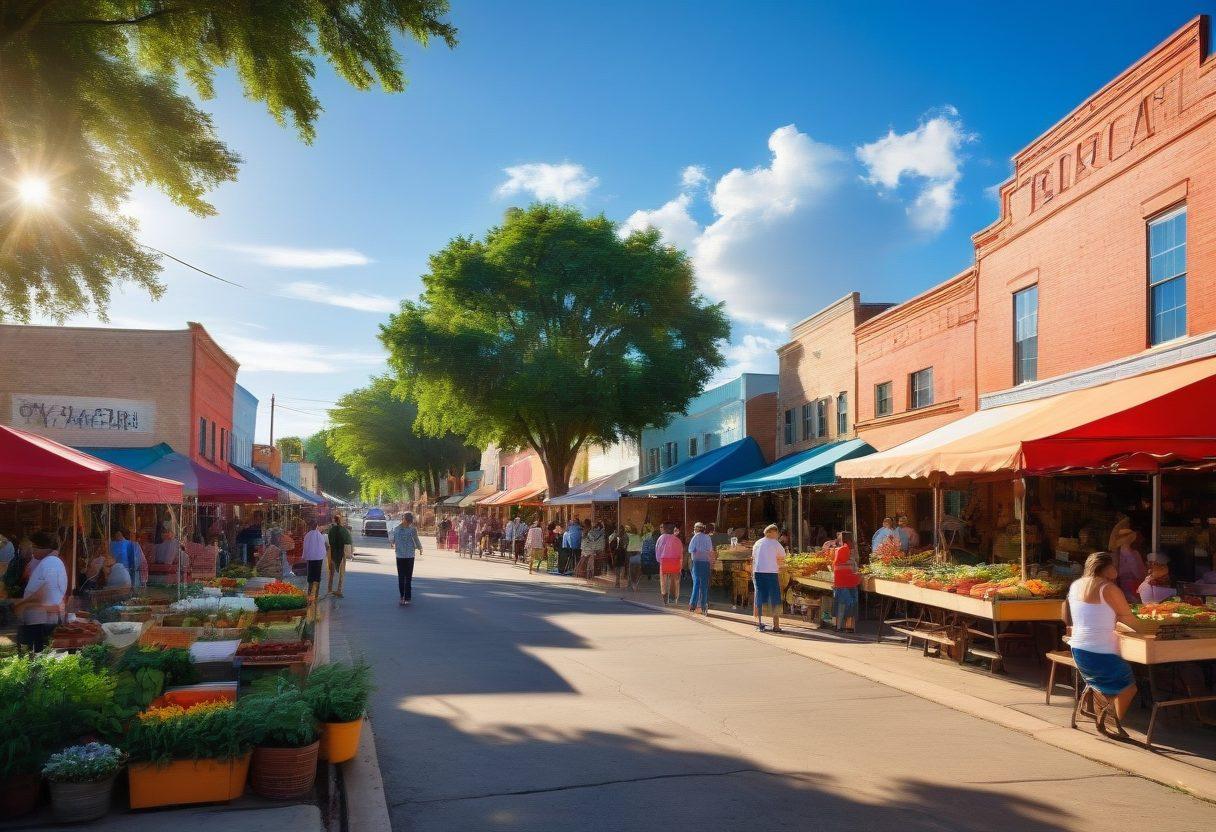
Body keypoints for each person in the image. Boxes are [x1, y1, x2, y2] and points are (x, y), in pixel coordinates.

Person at [1065, 551, 1144, 738]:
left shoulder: (1076, 585)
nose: (1116, 569)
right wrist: (1152, 629)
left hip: (1078, 649)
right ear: (1106, 568)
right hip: (1100, 650)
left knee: (1106, 685)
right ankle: (1111, 719)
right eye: (1114, 565)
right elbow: (1128, 619)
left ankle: (1105, 712)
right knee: (1128, 687)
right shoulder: (1108, 588)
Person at [14, 531, 67, 653]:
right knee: (38, 658)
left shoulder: (50, 563)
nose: (32, 550)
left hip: (41, 623)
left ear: (44, 548)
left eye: (35, 547)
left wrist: (23, 605)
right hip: (40, 621)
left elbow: (46, 598)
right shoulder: (48, 562)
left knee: (39, 658)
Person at [752, 524, 786, 632]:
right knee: (775, 597)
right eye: (776, 532)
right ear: (772, 532)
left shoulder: (757, 543)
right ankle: (776, 626)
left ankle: (760, 624)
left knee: (760, 596)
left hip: (758, 572)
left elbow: (753, 557)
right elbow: (783, 555)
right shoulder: (775, 543)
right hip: (771, 573)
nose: (777, 535)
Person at [392, 512, 424, 605]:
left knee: (407, 577)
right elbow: (393, 540)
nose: (409, 523)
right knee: (402, 577)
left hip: (409, 556)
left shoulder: (410, 529)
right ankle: (403, 596)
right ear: (405, 520)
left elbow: (416, 539)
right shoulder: (398, 529)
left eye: (410, 521)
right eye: (408, 521)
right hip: (401, 556)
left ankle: (407, 597)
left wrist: (420, 547)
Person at [831, 531, 860, 632]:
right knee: (851, 604)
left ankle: (838, 626)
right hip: (851, 581)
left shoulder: (838, 550)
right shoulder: (852, 550)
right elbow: (856, 565)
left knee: (840, 604)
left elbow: (834, 566)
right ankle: (850, 627)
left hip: (840, 582)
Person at [687, 521, 716, 615]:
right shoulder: (708, 537)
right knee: (704, 585)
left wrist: (697, 551)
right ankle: (704, 606)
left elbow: (690, 549)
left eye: (695, 528)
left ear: (697, 529)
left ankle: (693, 605)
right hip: (706, 563)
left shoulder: (695, 537)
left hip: (696, 562)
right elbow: (710, 550)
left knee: (696, 584)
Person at [1112, 527, 1146, 601]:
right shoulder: (1114, 555)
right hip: (1119, 589)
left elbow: (1140, 574)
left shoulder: (1135, 554)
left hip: (1134, 589)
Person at [655, 522, 684, 606]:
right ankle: (673, 597)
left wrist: (659, 560)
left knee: (663, 581)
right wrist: (680, 564)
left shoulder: (661, 538)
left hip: (664, 561)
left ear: (665, 529)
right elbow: (680, 553)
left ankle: (664, 596)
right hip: (675, 562)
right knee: (674, 581)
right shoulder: (677, 540)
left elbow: (658, 550)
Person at [327, 513, 353, 598]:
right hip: (341, 553)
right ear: (341, 521)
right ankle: (339, 590)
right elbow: (349, 541)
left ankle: (330, 589)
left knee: (332, 573)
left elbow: (329, 541)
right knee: (341, 573)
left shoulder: (331, 530)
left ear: (334, 520)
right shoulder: (344, 531)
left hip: (332, 553)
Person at [302, 518, 328, 600]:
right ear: (316, 526)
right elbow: (323, 547)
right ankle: (316, 595)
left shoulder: (307, 535)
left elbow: (305, 547)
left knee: (310, 577)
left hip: (310, 559)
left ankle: (309, 594)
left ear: (310, 526)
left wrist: (305, 556)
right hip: (318, 559)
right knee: (317, 577)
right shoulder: (320, 535)